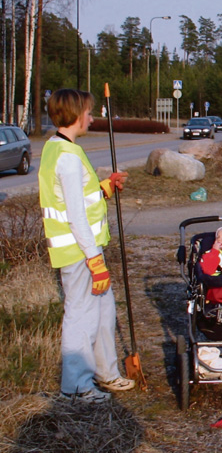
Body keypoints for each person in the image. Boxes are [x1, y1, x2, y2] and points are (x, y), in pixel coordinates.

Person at [38, 88, 134, 404]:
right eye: (89, 112)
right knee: (81, 315)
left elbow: (80, 197)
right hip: (79, 253)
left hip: (88, 250)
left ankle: (106, 373)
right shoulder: (65, 157)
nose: (92, 118)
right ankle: (76, 387)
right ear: (76, 115)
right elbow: (76, 215)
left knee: (104, 311)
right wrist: (94, 259)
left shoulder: (63, 148)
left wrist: (105, 188)